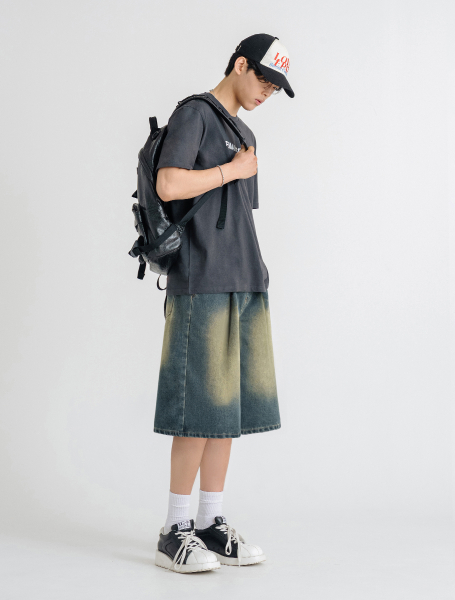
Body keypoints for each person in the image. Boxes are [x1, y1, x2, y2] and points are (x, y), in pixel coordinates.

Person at [153, 33, 294, 573]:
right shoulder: (195, 113)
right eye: (264, 80)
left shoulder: (245, 132)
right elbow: (168, 184)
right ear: (240, 65)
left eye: (275, 88)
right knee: (197, 411)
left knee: (225, 411)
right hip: (201, 281)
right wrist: (232, 170)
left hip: (243, 279)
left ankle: (210, 521)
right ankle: (174, 529)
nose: (267, 92)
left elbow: (236, 216)